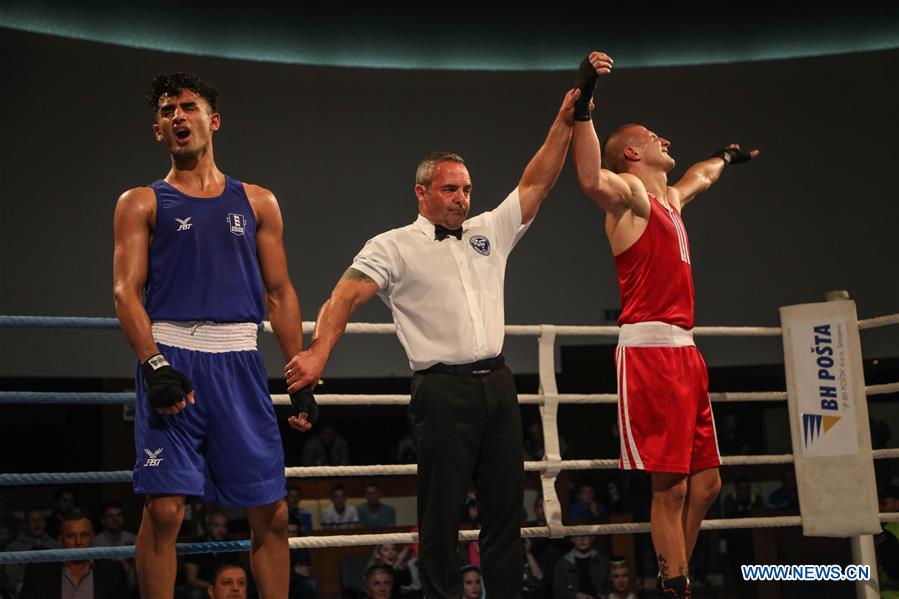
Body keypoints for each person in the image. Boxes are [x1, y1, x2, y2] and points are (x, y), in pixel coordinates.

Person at [285, 83, 589, 599]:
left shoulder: (488, 230)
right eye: (451, 189)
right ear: (422, 192)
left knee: (504, 511)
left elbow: (537, 182)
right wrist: (318, 352)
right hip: (441, 392)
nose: (463, 199)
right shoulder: (392, 246)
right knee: (441, 515)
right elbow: (343, 297)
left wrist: (566, 118)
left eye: (467, 189)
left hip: (497, 384)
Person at [112, 71, 316, 598]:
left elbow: (280, 292)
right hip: (171, 358)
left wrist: (300, 378)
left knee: (270, 512)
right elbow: (124, 292)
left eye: (188, 106)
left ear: (213, 120)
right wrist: (154, 364)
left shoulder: (259, 202)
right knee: (163, 512)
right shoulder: (140, 202)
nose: (177, 115)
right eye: (166, 110)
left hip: (239, 363)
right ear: (157, 129)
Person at [570, 50, 759, 598]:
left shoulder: (671, 200)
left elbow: (702, 175)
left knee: (706, 485)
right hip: (650, 351)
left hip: (687, 353)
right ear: (633, 152)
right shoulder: (629, 199)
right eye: (654, 137)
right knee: (670, 489)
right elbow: (587, 176)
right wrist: (584, 103)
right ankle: (677, 589)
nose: (666, 141)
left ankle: (676, 575)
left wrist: (725, 155)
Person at [18, 512, 129, 599]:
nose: (78, 541)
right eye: (71, 536)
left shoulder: (113, 571)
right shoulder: (39, 573)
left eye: (84, 535)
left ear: (92, 538)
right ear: (61, 540)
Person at [3, 507, 59, 596]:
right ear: (26, 524)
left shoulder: (55, 546)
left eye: (40, 519)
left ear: (45, 523)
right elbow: (11, 581)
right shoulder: (13, 548)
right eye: (32, 520)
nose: (37, 523)